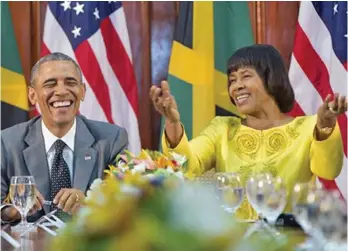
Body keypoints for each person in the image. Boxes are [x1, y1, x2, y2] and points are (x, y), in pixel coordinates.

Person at [150, 44, 346, 220]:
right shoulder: (222, 129)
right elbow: (185, 167)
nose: (236, 86)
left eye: (246, 76)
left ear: (271, 77)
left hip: (292, 240)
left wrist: (326, 125)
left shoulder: (308, 127)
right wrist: (172, 122)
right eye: (232, 80)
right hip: (236, 241)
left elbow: (328, 170)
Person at [1, 52, 128, 223]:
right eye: (50, 84)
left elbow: (127, 205)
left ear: (82, 91)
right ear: (32, 95)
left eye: (70, 83)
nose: (61, 91)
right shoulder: (6, 143)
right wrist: (13, 210)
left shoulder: (112, 140)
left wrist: (92, 205)